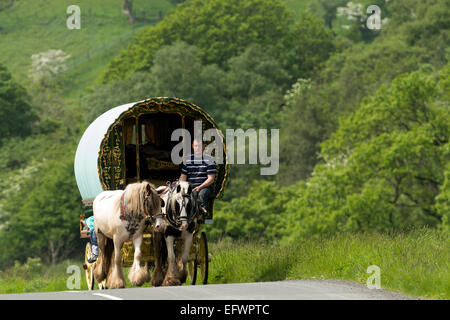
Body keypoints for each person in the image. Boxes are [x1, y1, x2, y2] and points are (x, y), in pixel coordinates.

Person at [179, 138, 216, 215]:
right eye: (196, 146)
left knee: (201, 195)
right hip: (191, 186)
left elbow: (211, 179)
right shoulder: (188, 159)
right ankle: (181, 218)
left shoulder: (210, 160)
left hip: (205, 187)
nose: (198, 148)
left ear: (203, 146)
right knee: (179, 195)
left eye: (199, 146)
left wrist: (199, 187)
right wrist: (180, 185)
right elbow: (183, 177)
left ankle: (202, 218)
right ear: (193, 146)